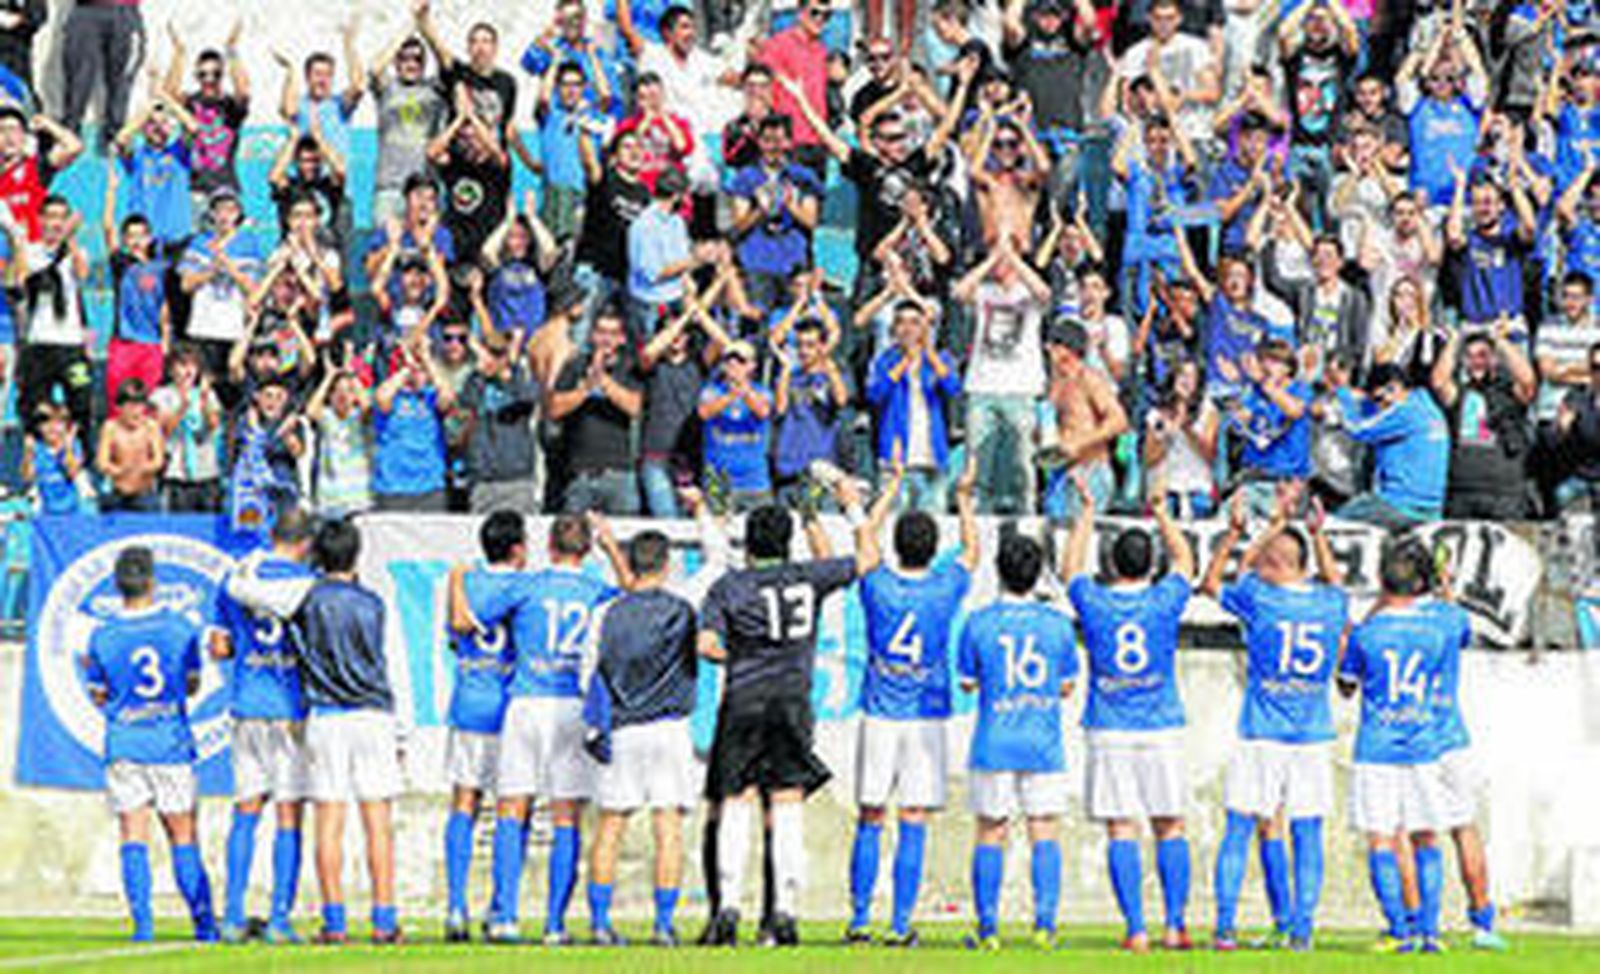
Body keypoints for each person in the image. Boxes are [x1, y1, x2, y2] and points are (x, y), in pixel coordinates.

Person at [699, 496, 868, 947]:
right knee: (787, 803)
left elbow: (706, 645)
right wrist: (846, 509)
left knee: (735, 800)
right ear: (788, 541)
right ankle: (785, 912)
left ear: (749, 543)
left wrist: (739, 657)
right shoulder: (807, 577)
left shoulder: (730, 586)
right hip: (792, 701)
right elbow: (867, 557)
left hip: (743, 700)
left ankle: (728, 908)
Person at [226, 519, 403, 945]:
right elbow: (396, 667)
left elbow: (241, 590)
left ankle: (335, 922)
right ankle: (384, 920)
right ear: (357, 555)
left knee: (329, 819)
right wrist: (402, 735)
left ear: (318, 554)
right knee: (378, 822)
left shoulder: (305, 594)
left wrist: (249, 562)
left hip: (327, 716)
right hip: (374, 716)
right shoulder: (375, 602)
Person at [452, 514, 624, 945]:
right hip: (572, 705)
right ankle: (554, 925)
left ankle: (506, 918)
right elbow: (632, 591)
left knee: (511, 808)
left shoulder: (527, 585)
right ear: (586, 550)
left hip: (526, 703)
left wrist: (456, 580)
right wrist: (612, 547)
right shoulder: (597, 590)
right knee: (566, 816)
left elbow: (469, 620)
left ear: (548, 546)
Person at [1200, 490, 1348, 951]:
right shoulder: (1330, 604)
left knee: (1239, 826)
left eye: (1265, 559)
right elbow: (1336, 583)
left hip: (1261, 732)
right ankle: (1300, 929)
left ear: (1275, 561)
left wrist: (1248, 532)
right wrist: (1318, 536)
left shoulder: (1259, 598)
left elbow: (1213, 581)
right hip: (1311, 735)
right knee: (1307, 832)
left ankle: (1225, 927)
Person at [1060, 471, 1196, 953]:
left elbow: (1069, 569)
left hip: (1110, 727)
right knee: (1169, 824)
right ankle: (1174, 925)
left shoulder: (1094, 601)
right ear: (1151, 564)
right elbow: (1186, 561)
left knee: (1122, 826)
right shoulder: (1164, 599)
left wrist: (1087, 513)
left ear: (1110, 562)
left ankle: (1136, 929)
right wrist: (1162, 513)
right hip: (1160, 724)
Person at [846, 456, 978, 945]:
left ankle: (860, 919)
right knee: (914, 818)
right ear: (933, 549)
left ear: (896, 547)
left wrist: (891, 490)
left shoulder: (878, 584)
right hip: (927, 717)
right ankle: (900, 924)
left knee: (870, 815)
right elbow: (972, 551)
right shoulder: (944, 588)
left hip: (880, 714)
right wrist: (963, 500)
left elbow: (864, 538)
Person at [83, 545, 218, 943]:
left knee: (133, 832)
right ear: (153, 582)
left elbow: (99, 693)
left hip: (125, 741)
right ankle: (204, 924)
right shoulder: (179, 628)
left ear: (118, 585)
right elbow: (191, 684)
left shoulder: (103, 635)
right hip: (169, 742)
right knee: (183, 834)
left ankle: (143, 926)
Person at [1336, 539, 1461, 954]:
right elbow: (1455, 633)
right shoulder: (1437, 629)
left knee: (1381, 841)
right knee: (1427, 838)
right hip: (1423, 745)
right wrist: (1444, 589)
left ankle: (1398, 929)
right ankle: (1430, 931)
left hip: (1377, 748)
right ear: (1422, 582)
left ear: (1381, 579)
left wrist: (1348, 643)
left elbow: (1346, 686)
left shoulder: (1367, 634)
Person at [957, 531, 1079, 950]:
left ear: (998, 571)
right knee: (1044, 830)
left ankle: (988, 930)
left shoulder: (978, 622)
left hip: (994, 740)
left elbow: (968, 682)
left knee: (991, 831)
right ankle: (1044, 927)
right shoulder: (1058, 624)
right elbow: (1067, 686)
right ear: (1039, 573)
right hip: (1042, 742)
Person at [583, 529, 703, 947]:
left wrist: (597, 723)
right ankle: (663, 926)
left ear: (631, 565)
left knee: (611, 825)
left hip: (624, 728)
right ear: (666, 566)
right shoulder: (683, 609)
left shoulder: (606, 613)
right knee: (667, 826)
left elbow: (588, 674)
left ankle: (600, 924)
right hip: (669, 728)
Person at [210, 510, 317, 944]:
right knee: (288, 813)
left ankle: (233, 916)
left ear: (272, 534)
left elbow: (219, 646)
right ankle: (278, 919)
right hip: (290, 707)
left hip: (247, 703)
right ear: (306, 543)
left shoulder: (237, 577)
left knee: (246, 809)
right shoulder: (309, 584)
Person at [438, 511, 526, 942]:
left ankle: (456, 908)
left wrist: (455, 581)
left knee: (464, 802)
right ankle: (501, 912)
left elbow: (455, 638)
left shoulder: (465, 583)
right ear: (518, 549)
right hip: (510, 708)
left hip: (469, 705)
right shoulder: (525, 587)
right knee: (512, 808)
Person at [1430, 327, 1537, 521]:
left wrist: (1498, 340)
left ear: (1494, 359)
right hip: (1462, 491)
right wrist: (1455, 340)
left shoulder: (1509, 393)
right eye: (1470, 357)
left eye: (1482, 355)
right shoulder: (1460, 393)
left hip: (1505, 493)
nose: (1477, 362)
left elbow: (1527, 380)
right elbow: (1439, 382)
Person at [865, 298, 961, 512]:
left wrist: (929, 355)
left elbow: (953, 387)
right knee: (893, 523)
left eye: (915, 322)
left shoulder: (940, 359)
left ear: (925, 328)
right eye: (901, 322)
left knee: (934, 523)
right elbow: (875, 395)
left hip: (933, 458)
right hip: (896, 459)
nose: (908, 329)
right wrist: (905, 362)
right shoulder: (884, 360)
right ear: (893, 329)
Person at [547, 306, 644, 514]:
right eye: (601, 332)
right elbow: (553, 409)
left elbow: (636, 408)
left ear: (622, 339)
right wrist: (585, 389)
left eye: (613, 333)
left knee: (624, 531)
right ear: (592, 335)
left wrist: (604, 381)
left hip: (619, 471)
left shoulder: (630, 367)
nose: (606, 339)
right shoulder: (575, 366)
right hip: (579, 472)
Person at [1332, 363, 1450, 530]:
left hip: (1399, 504)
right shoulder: (1428, 407)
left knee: (1331, 526)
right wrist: (1365, 399)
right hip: (1432, 509)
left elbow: (1357, 429)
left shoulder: (1405, 411)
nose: (1380, 407)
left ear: (1394, 387)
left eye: (1379, 399)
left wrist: (1342, 394)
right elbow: (1378, 417)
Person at [96, 378, 165, 513]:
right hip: (117, 495)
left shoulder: (151, 427)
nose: (136, 411)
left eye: (140, 405)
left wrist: (141, 468)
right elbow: (102, 462)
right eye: (131, 406)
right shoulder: (110, 428)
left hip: (144, 495)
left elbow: (158, 460)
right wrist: (118, 471)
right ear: (120, 407)